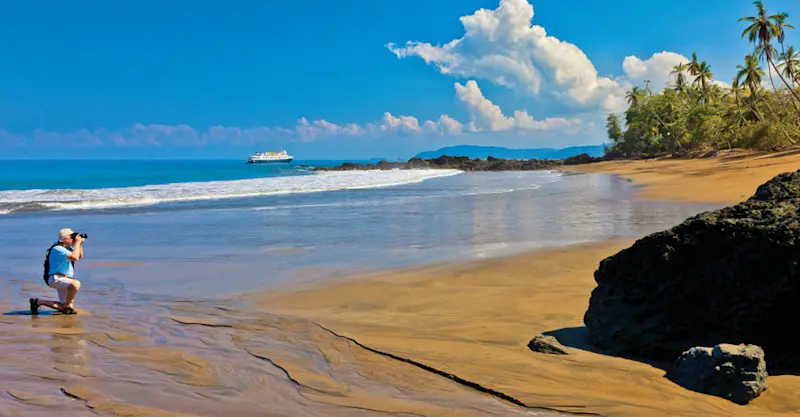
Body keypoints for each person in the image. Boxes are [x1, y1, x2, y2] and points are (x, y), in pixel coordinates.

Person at [30, 228, 84, 315]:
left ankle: (37, 302)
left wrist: (80, 244)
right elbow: (75, 257)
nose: (73, 240)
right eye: (72, 237)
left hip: (65, 280)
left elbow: (79, 256)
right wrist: (77, 243)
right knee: (76, 284)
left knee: (66, 309)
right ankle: (66, 305)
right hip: (56, 278)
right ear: (65, 238)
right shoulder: (58, 248)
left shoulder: (66, 248)